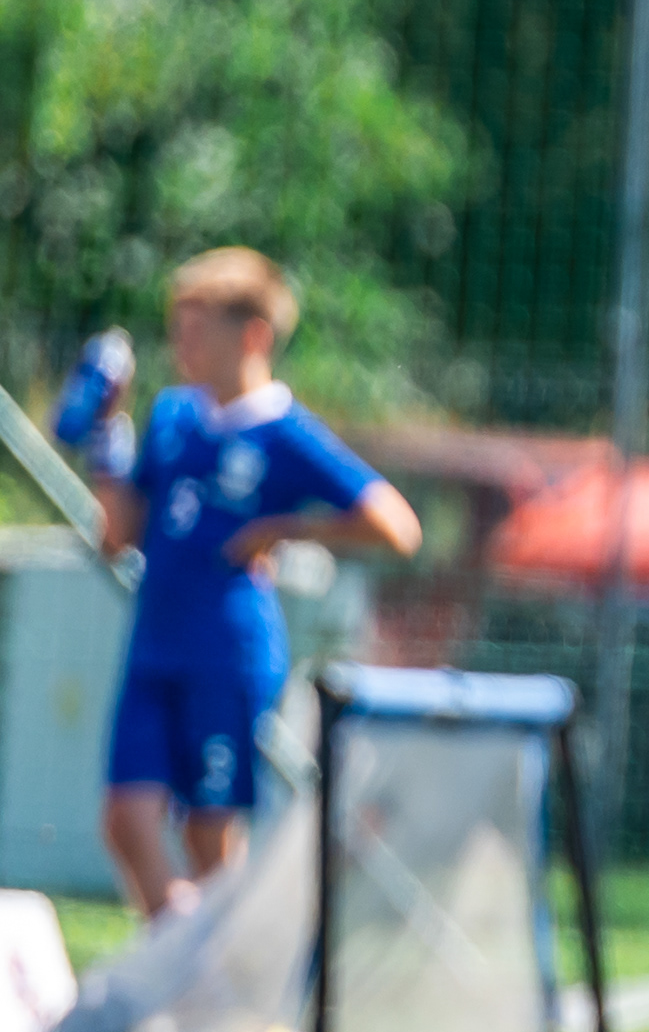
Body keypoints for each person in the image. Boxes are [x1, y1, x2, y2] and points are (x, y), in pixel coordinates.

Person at [58, 248, 423, 917]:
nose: (182, 345)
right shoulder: (174, 416)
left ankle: (208, 965)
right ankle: (183, 953)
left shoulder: (285, 433)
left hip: (227, 651)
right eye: (178, 328)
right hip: (154, 645)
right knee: (126, 818)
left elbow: (396, 525)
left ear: (252, 335)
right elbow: (118, 535)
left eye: (198, 331)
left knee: (208, 834)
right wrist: (108, 434)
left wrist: (282, 528)